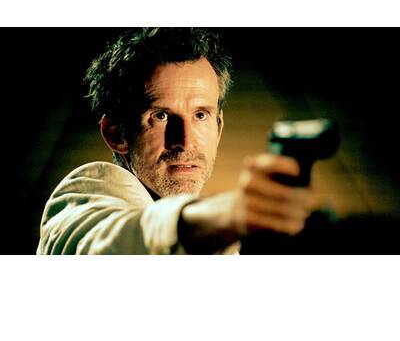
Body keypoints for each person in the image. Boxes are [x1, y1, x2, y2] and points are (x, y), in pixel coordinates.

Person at [37, 28, 311, 255]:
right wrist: (232, 211)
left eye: (201, 115)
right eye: (161, 116)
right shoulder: (81, 203)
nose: (185, 141)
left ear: (219, 127)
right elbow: (108, 244)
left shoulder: (217, 244)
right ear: (116, 133)